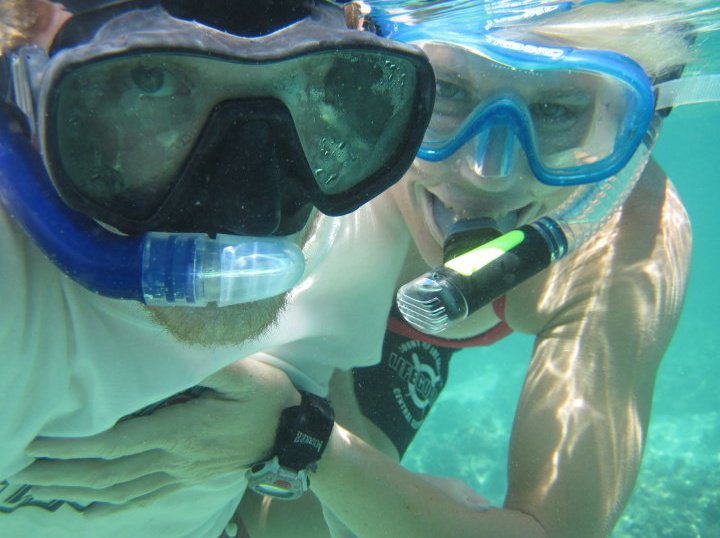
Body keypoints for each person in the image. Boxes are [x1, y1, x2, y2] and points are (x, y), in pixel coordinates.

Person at [232, 0, 720, 537]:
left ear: (627, 121)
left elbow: (555, 531)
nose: (489, 172)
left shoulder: (629, 227)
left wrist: (318, 449)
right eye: (451, 92)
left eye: (556, 109)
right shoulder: (335, 144)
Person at [0, 0, 437, 536]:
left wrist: (296, 438)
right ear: (27, 74)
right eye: (149, 79)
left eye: (313, 80)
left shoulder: (373, 233)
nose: (251, 208)